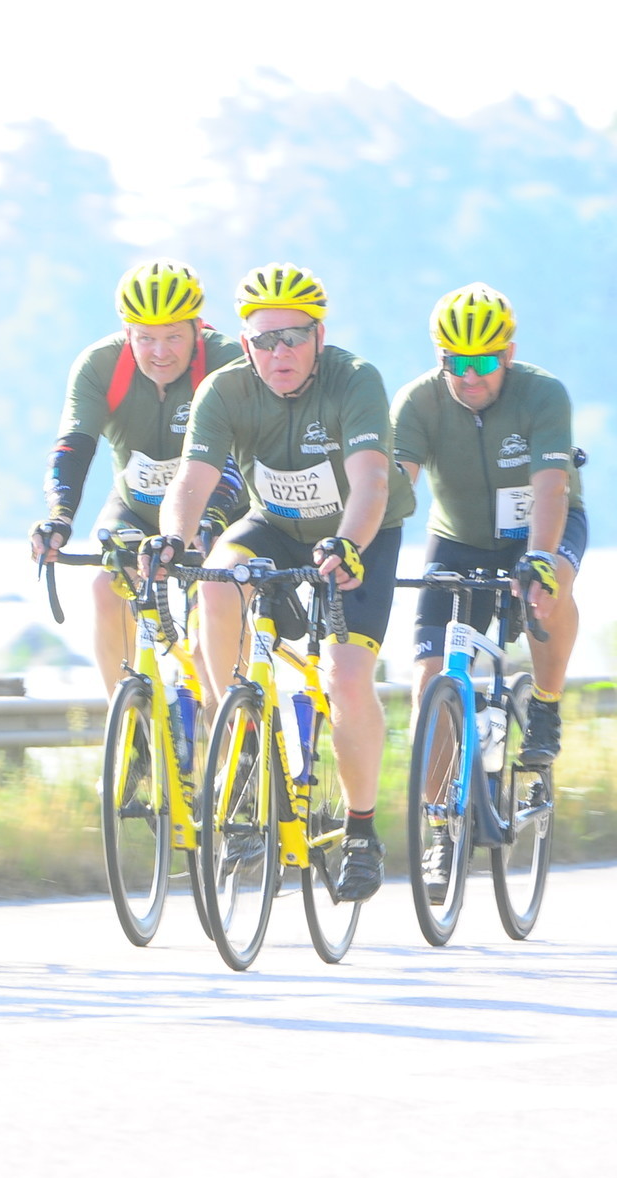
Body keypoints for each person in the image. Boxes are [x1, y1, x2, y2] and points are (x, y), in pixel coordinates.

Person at [157, 263, 415, 902]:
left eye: (295, 337)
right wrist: (170, 539)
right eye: (265, 340)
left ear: (319, 337)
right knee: (215, 581)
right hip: (273, 524)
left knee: (346, 677)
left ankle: (361, 832)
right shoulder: (223, 390)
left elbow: (371, 483)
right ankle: (238, 731)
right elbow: (191, 480)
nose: (281, 353)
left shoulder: (355, 379)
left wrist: (348, 546)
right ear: (246, 344)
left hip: (359, 532)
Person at [391, 283, 585, 890]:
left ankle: (545, 705)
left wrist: (539, 559)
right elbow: (396, 487)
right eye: (455, 362)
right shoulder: (418, 402)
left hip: (540, 524)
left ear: (508, 353)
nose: (469, 376)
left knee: (547, 591)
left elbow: (551, 486)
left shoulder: (542, 393)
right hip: (459, 538)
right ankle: (440, 829)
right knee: (431, 681)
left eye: (482, 360)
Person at [32, 260, 246, 694]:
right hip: (137, 507)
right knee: (105, 587)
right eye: (145, 338)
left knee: (206, 641)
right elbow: (73, 448)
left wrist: (207, 524)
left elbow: (240, 459)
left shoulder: (227, 362)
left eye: (173, 337)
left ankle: (228, 727)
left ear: (197, 328)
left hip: (216, 510)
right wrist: (60, 517)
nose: (159, 352)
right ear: (127, 331)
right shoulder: (100, 365)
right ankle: (129, 722)